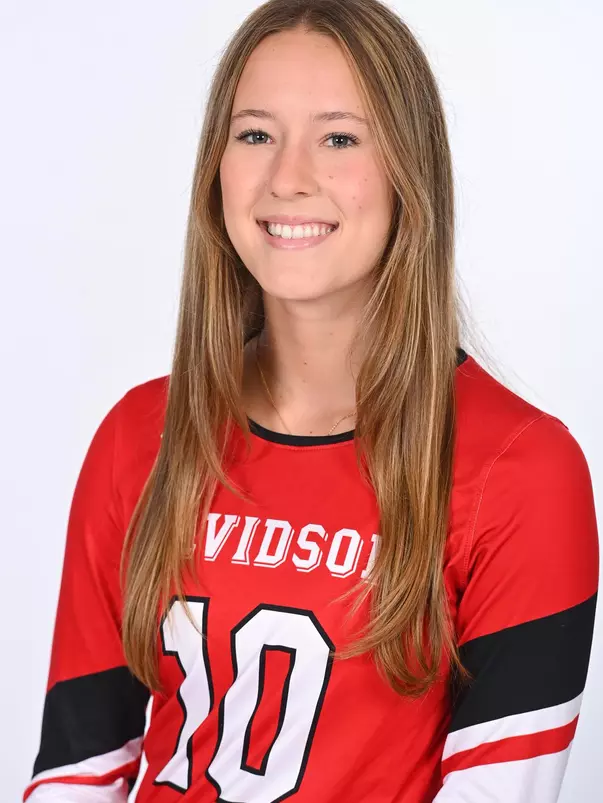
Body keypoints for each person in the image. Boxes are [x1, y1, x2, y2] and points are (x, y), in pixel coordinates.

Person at [24, 1, 599, 801]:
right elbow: (76, 773)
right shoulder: (140, 435)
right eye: (255, 134)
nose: (287, 178)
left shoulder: (522, 469)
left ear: (408, 172)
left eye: (339, 138)